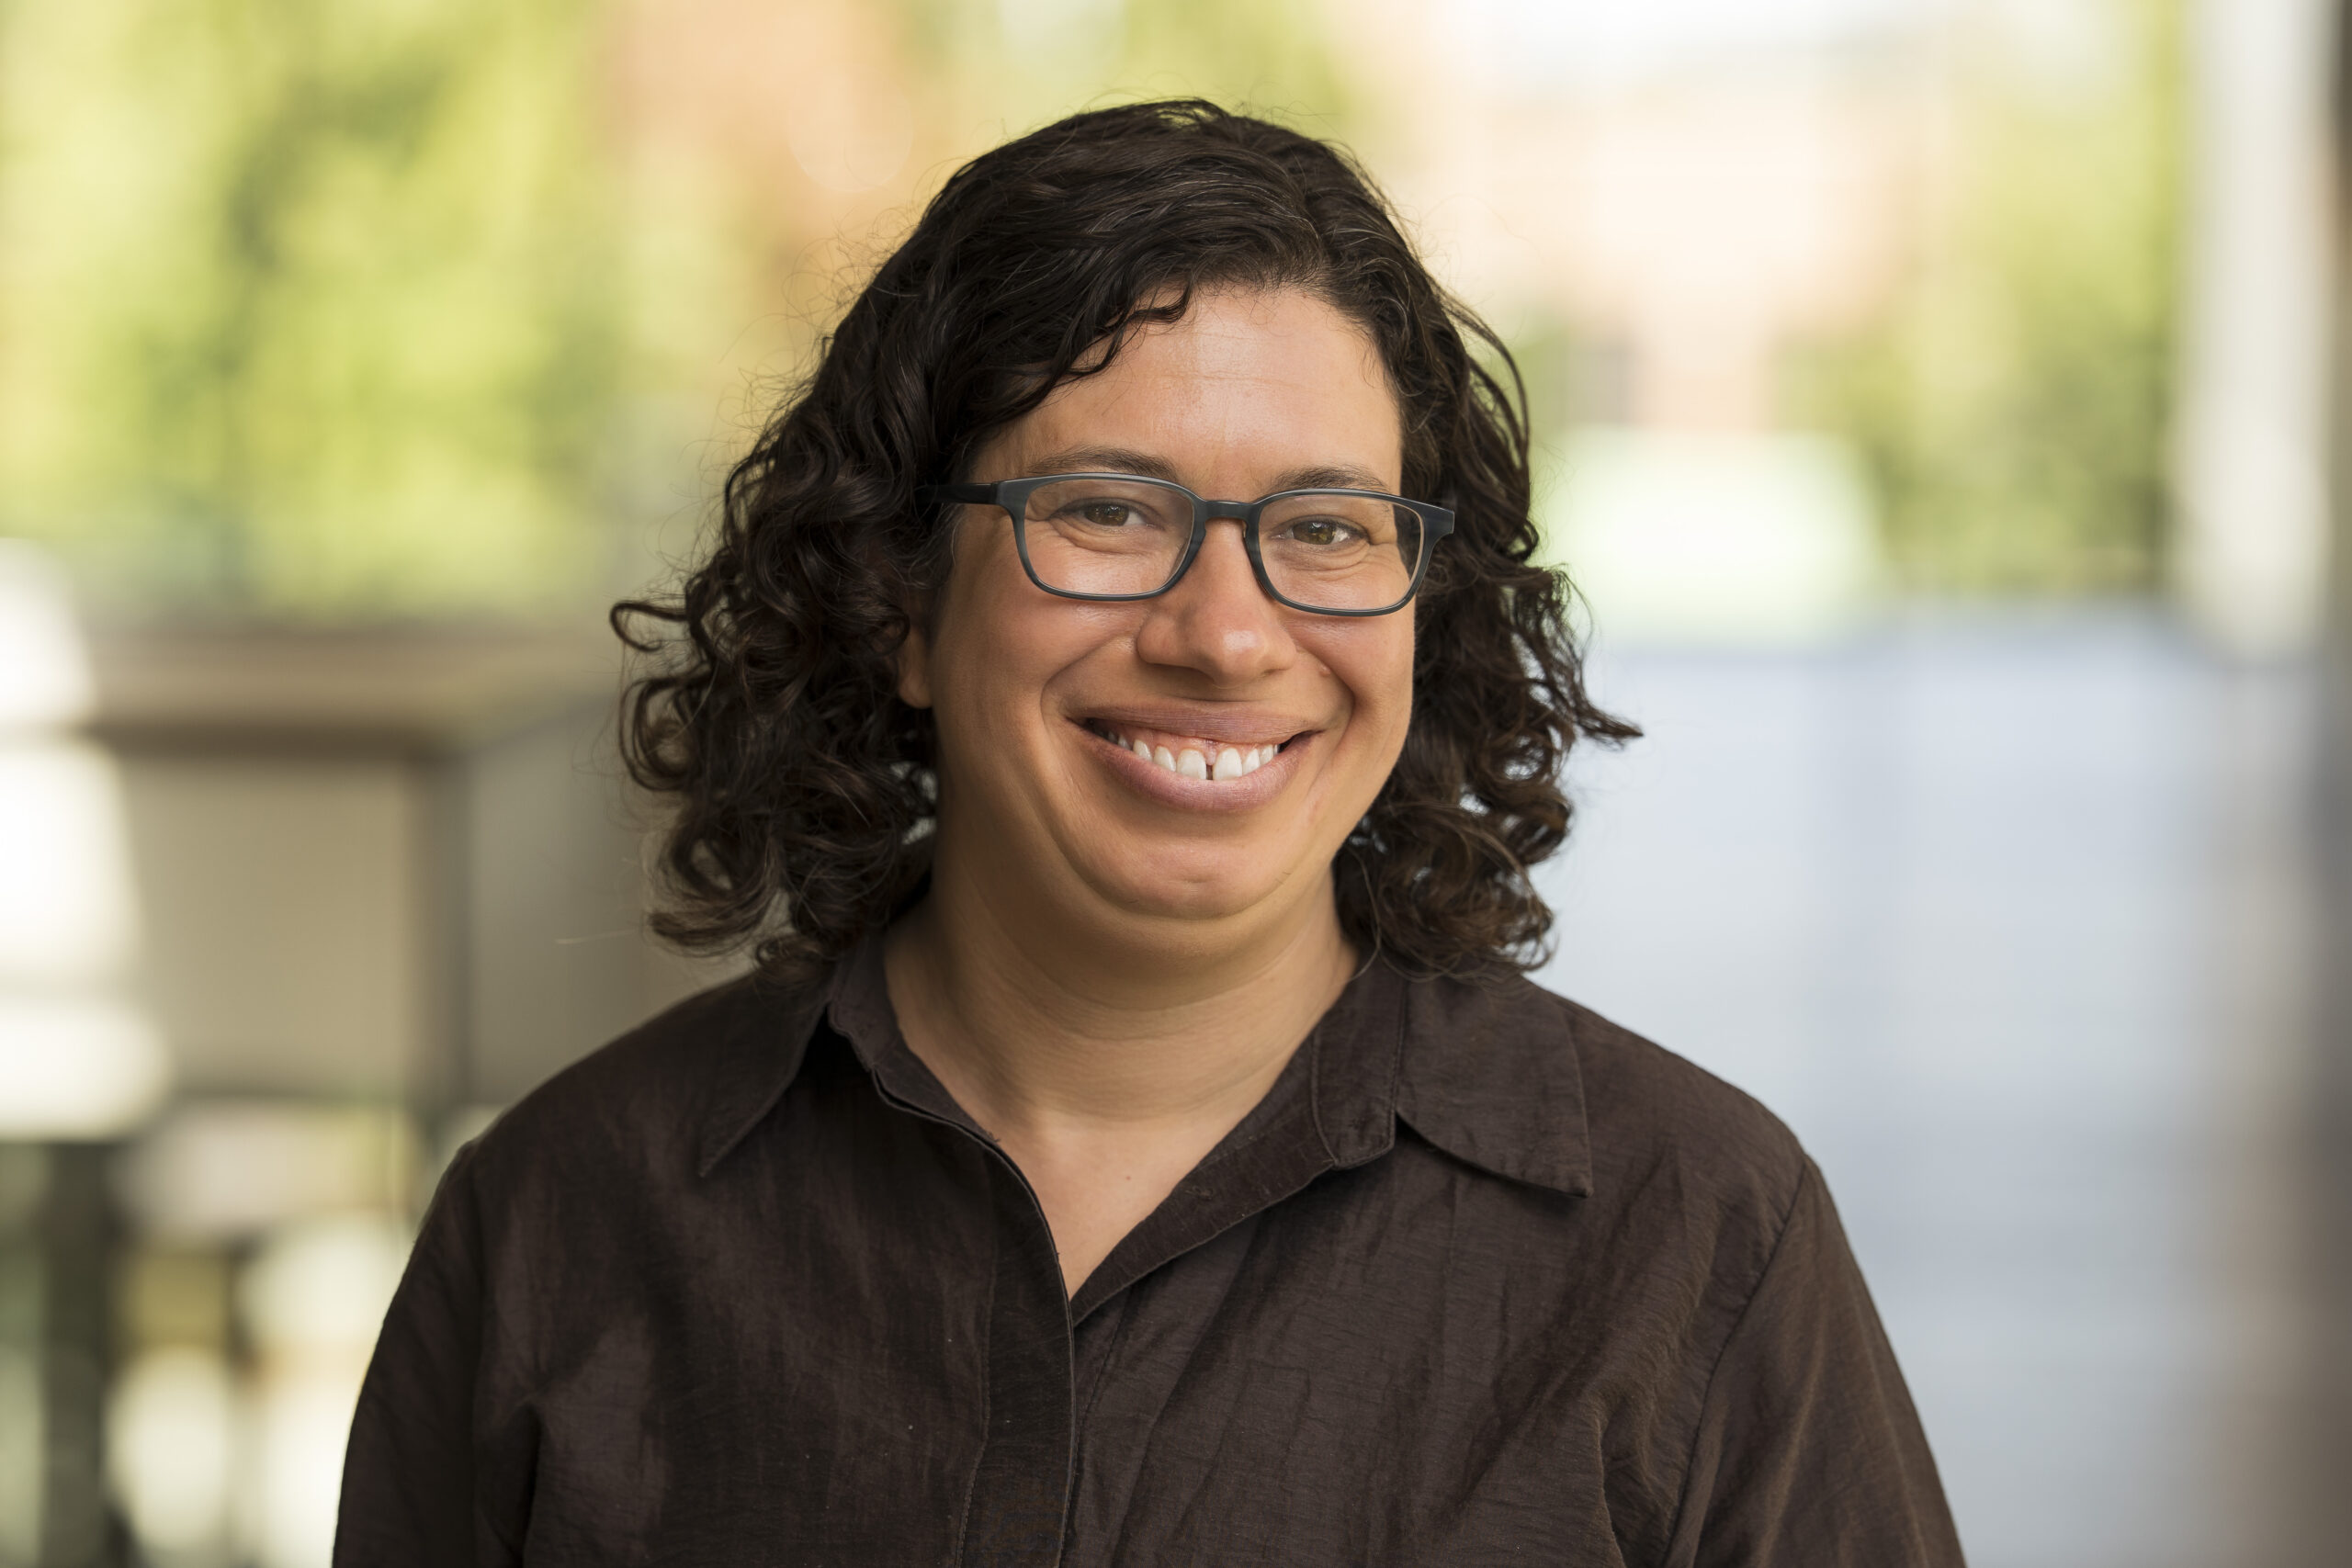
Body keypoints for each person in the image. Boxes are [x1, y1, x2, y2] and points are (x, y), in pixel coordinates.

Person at [334, 100, 1962, 1566]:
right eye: (1108, 510)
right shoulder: (559, 1221)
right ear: (898, 598)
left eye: (1326, 528)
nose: (1227, 634)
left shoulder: (1698, 1240)